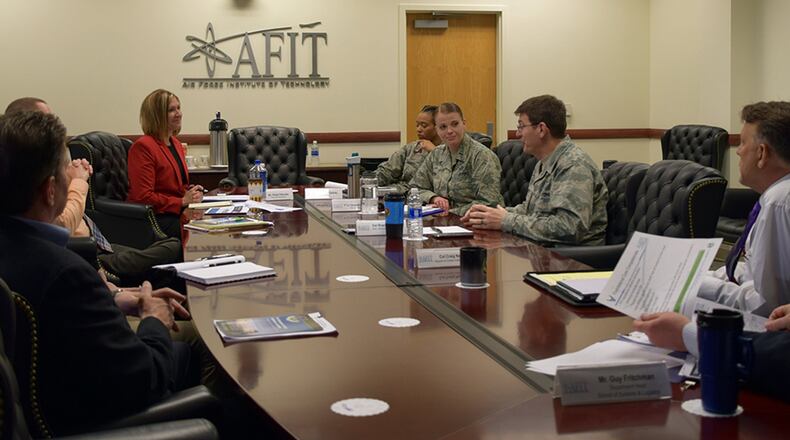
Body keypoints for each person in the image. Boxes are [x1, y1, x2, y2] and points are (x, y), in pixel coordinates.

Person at [0, 111, 198, 434]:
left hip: (58, 398)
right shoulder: (66, 274)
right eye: (68, 171)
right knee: (200, 343)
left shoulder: (21, 253)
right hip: (95, 421)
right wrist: (152, 318)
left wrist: (122, 298)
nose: (75, 178)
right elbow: (143, 378)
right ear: (51, 190)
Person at [5, 97, 183, 288]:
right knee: (173, 252)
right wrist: (78, 181)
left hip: (101, 243)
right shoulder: (29, 177)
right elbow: (62, 224)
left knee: (171, 256)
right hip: (87, 251)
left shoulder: (46, 165)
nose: (53, 125)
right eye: (46, 120)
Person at [461, 95, 607, 246]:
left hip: (571, 259)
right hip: (542, 250)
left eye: (521, 126)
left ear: (541, 129)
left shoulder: (573, 165)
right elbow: (531, 211)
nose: (518, 134)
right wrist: (488, 214)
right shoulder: (545, 161)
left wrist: (506, 220)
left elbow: (568, 228)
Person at [127, 89, 203, 240]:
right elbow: (143, 197)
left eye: (179, 108)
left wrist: (192, 192)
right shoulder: (143, 146)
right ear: (157, 116)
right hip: (158, 220)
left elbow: (174, 186)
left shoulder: (175, 143)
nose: (179, 113)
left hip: (176, 213)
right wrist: (181, 201)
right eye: (171, 110)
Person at [408, 102, 503, 215]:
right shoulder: (436, 154)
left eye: (455, 124)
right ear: (437, 130)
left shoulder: (482, 156)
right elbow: (414, 189)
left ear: (463, 124)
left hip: (477, 223)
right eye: (443, 127)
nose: (449, 131)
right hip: (444, 223)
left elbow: (489, 203)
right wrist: (433, 198)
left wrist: (450, 212)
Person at [376, 104, 443, 195]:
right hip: (402, 193)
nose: (418, 129)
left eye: (424, 125)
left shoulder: (447, 149)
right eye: (417, 125)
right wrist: (368, 181)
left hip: (429, 196)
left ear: (437, 127)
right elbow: (388, 170)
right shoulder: (411, 148)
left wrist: (434, 151)